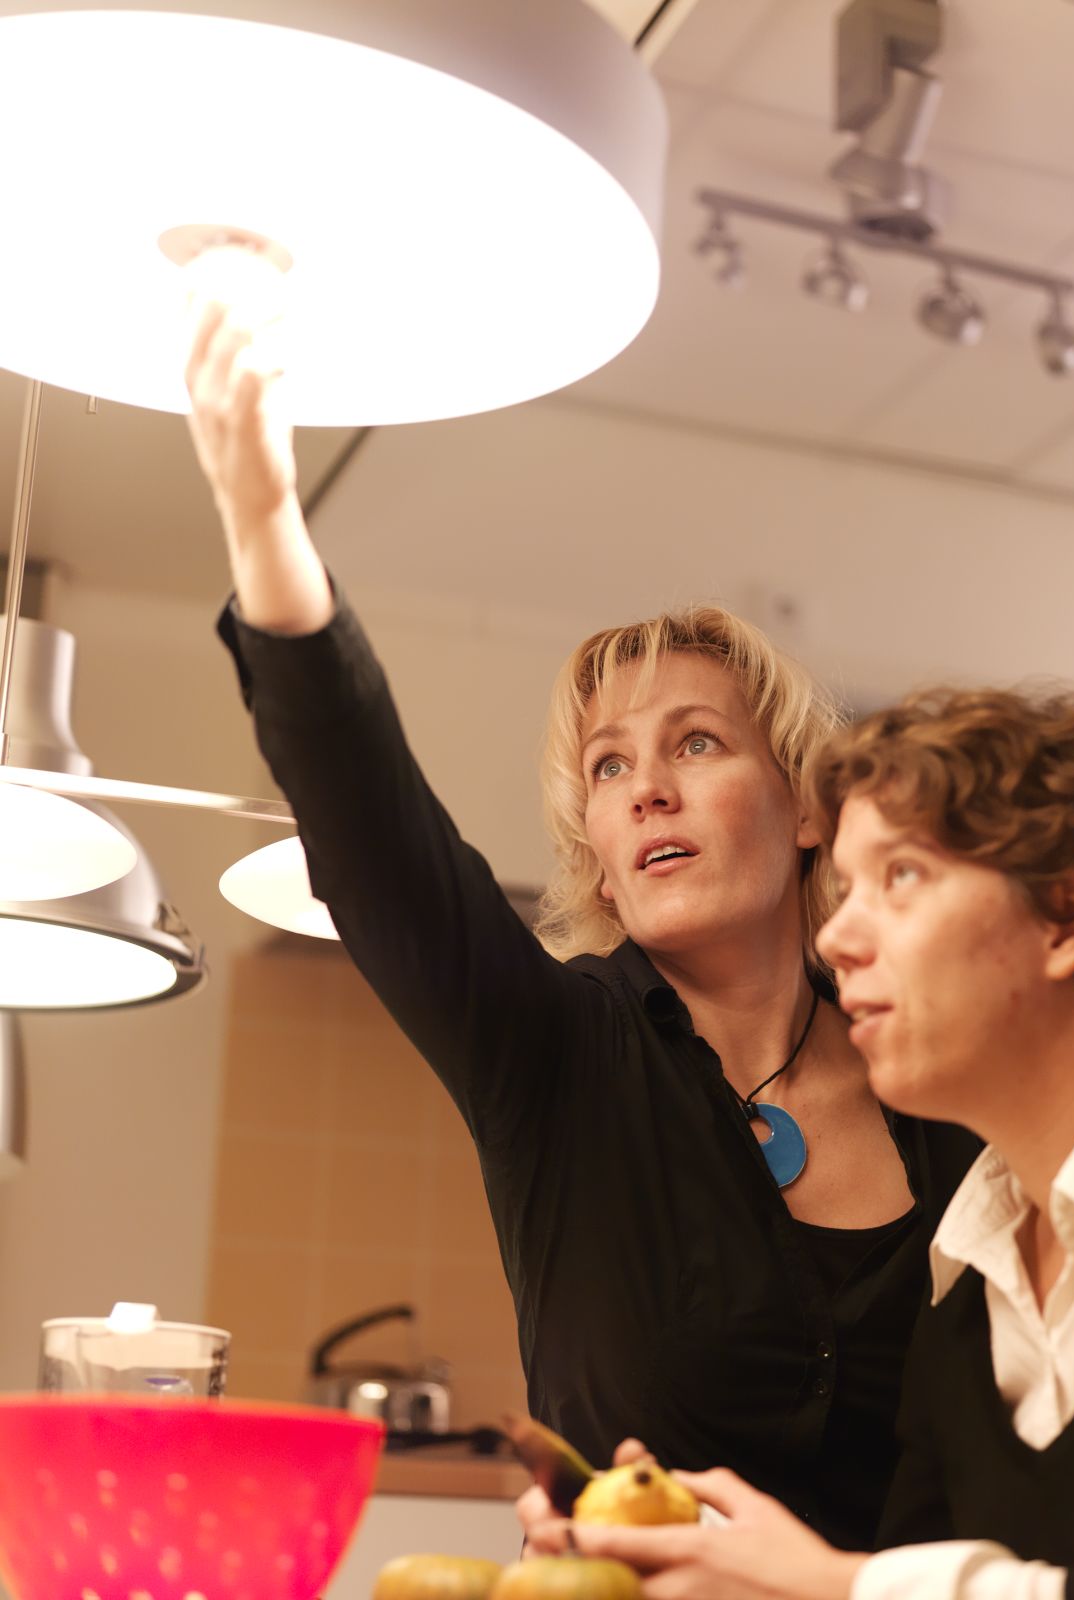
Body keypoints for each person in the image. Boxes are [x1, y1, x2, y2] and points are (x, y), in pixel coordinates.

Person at [183, 255, 977, 1547]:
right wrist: (265, 517)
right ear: (599, 857)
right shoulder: (553, 1057)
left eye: (697, 744)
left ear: (807, 807)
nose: (648, 788)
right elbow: (378, 842)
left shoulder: (936, 1077)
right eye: (611, 768)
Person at [527, 686, 1074, 1598]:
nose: (839, 937)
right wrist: (699, 1561)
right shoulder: (968, 1268)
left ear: (1069, 919)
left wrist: (840, 1586)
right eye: (849, 887)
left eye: (903, 877)